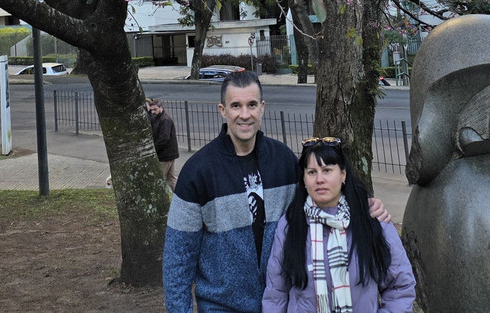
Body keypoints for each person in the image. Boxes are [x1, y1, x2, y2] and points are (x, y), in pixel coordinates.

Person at [163, 70, 390, 313]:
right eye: (236, 106)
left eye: (252, 105)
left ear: (262, 108)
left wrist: (363, 205)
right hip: (221, 307)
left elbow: (323, 197)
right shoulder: (198, 172)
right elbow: (178, 259)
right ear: (223, 110)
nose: (245, 114)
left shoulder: (283, 160)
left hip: (279, 302)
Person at [262, 137, 415, 313]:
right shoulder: (290, 226)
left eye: (327, 170)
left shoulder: (371, 220)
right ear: (303, 179)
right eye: (312, 172)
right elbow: (276, 294)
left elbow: (399, 287)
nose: (319, 179)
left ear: (343, 174)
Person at [147, 97, 180, 191]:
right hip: (168, 154)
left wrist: (154, 149)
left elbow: (164, 139)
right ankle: (181, 196)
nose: (153, 112)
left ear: (161, 108)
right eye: (151, 110)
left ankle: (162, 196)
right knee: (171, 178)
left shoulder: (164, 120)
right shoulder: (159, 118)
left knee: (159, 178)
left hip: (165, 155)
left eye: (155, 109)